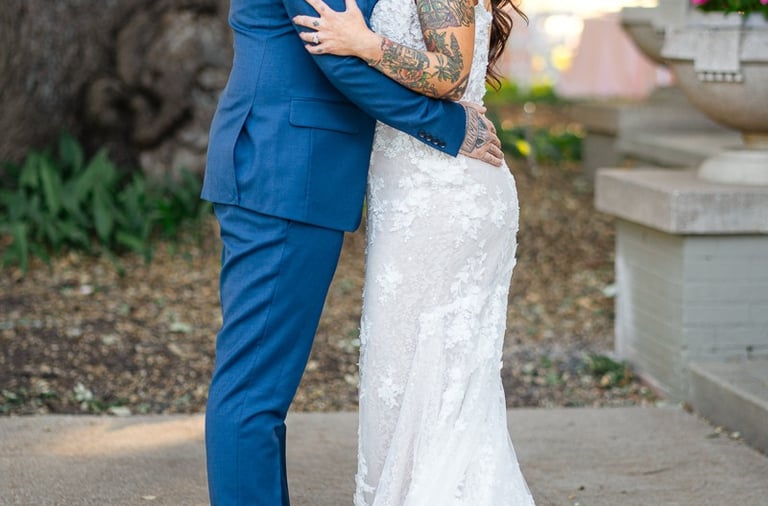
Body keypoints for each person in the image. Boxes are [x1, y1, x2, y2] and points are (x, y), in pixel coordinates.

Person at [200, 0, 505, 503]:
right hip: (282, 169)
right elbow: (335, 54)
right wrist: (447, 126)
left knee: (261, 393)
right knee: (253, 390)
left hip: (296, 170)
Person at [292, 0, 536, 503]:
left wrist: (363, 42)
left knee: (421, 381)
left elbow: (449, 71)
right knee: (421, 381)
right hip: (419, 191)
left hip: (442, 197)